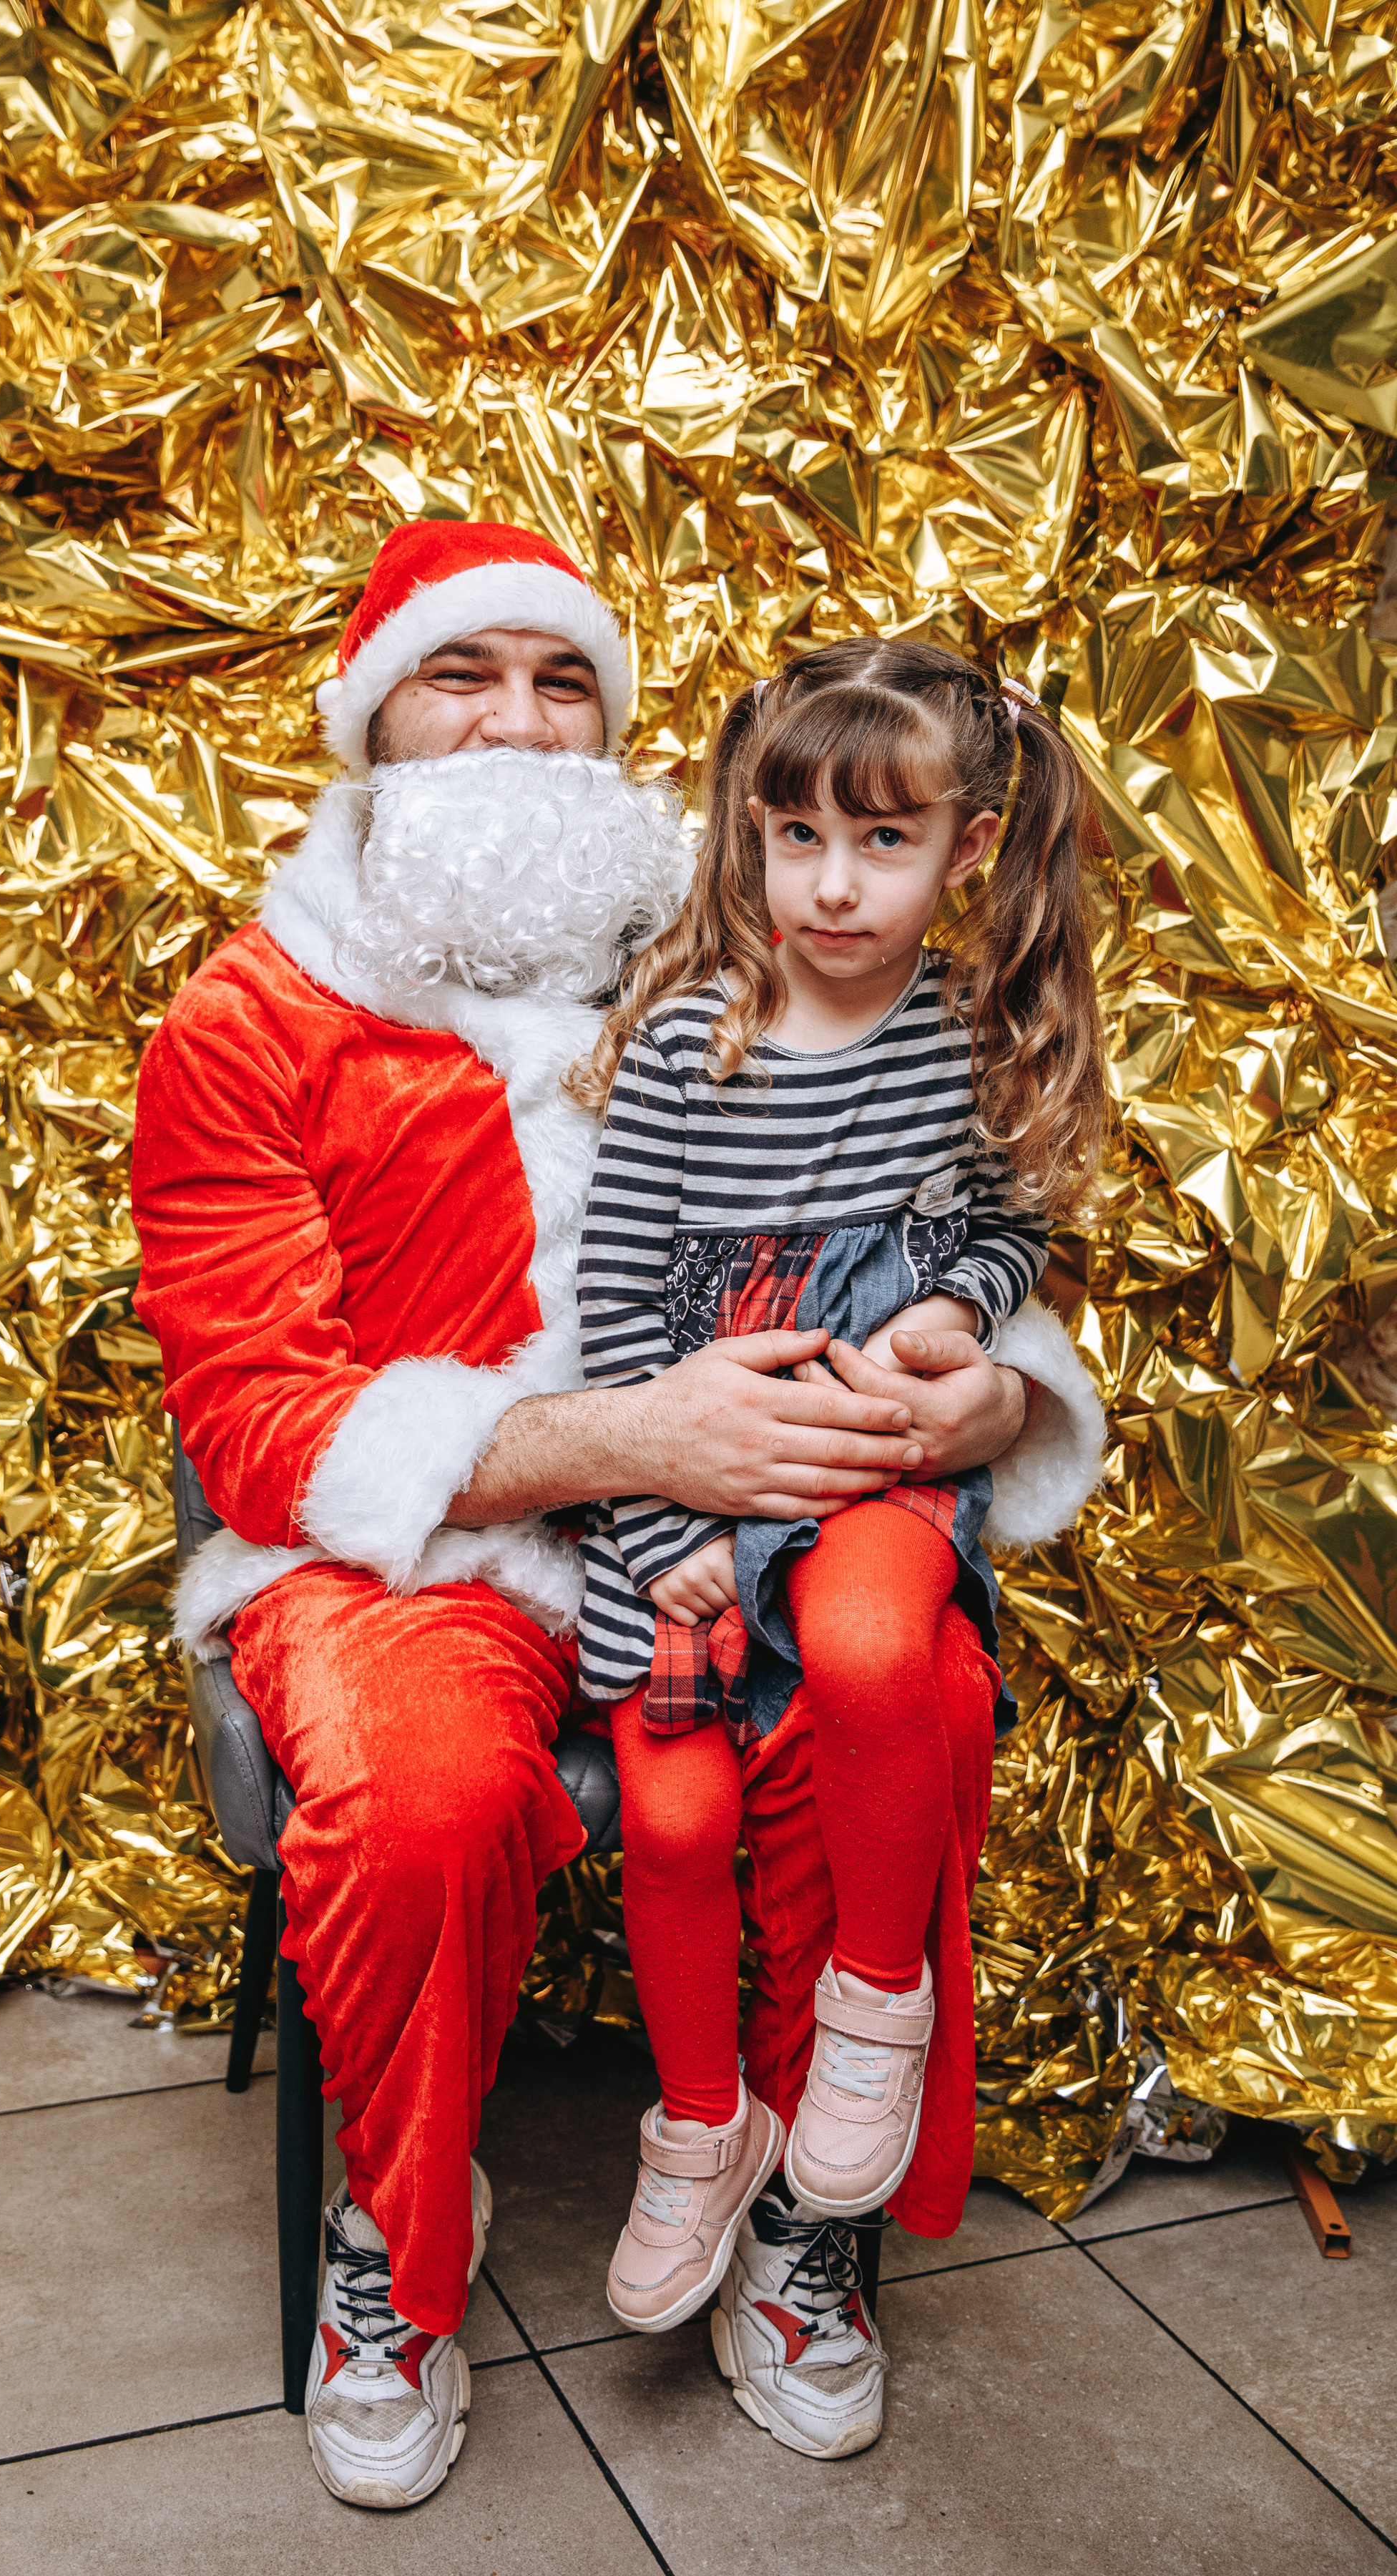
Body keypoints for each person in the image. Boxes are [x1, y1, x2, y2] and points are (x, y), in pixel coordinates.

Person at [129, 522, 1105, 2511]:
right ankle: (393, 2248)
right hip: (435, 1544)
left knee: (897, 1695)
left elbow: (944, 1200)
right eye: (459, 675)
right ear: (371, 720)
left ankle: (797, 2219)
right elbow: (255, 1414)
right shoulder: (248, 1020)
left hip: (782, 1503)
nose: (514, 718)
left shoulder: (768, 935)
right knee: (413, 1793)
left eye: (561, 679)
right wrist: (622, 1447)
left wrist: (998, 1393)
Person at [567, 641, 1106, 2453]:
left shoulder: (951, 1037)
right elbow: (615, 1322)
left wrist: (960, 1306)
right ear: (748, 835)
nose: (831, 884)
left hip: (870, 1474)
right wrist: (665, 1547)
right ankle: (702, 2129)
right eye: (791, 834)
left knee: (885, 1662)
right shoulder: (682, 1043)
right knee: (673, 1815)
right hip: (691, 1526)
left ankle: (876, 2018)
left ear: (961, 850)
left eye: (879, 842)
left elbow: (1010, 1223)